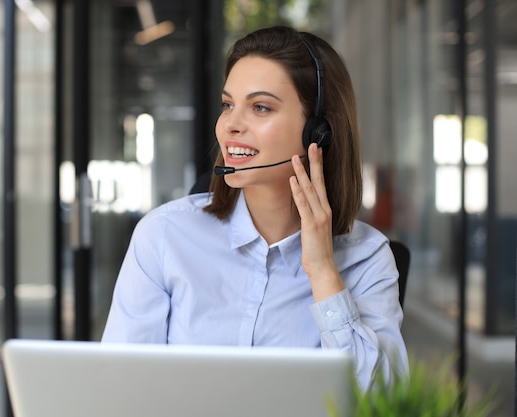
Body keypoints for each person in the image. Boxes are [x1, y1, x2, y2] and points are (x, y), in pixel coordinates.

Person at [102, 25, 408, 390]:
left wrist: (323, 272)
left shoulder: (367, 259)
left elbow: (382, 403)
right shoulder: (164, 236)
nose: (231, 124)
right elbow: (119, 386)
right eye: (228, 105)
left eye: (260, 107)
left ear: (318, 132)